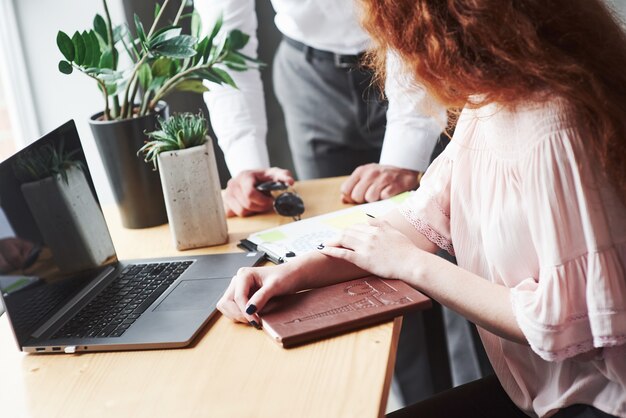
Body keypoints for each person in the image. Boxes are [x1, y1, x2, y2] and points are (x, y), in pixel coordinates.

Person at [216, 0, 626, 416]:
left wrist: (413, 266)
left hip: (597, 402)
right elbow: (412, 222)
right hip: (539, 393)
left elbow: (568, 322)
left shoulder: (552, 127)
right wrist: (288, 273)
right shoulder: (488, 102)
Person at [194, 0, 444, 217]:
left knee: (439, 219)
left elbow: (419, 18)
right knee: (330, 229)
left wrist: (405, 155)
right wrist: (247, 166)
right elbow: (223, 49)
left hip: (418, 60)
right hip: (310, 76)